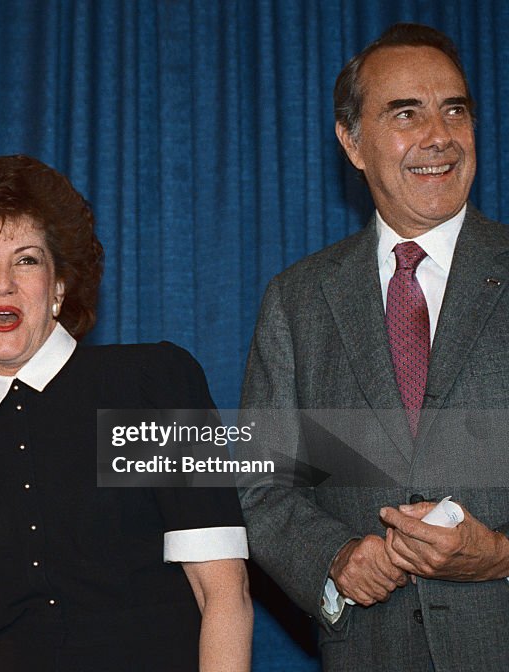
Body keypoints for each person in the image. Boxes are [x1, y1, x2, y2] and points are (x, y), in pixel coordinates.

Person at [0, 154, 252, 671]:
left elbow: (222, 590)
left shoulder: (152, 385)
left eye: (27, 259)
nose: (2, 283)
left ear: (59, 287)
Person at [239, 23, 509, 671]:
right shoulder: (296, 300)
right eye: (405, 114)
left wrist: (499, 555)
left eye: (455, 110)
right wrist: (334, 558)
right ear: (352, 143)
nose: (439, 135)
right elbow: (262, 486)